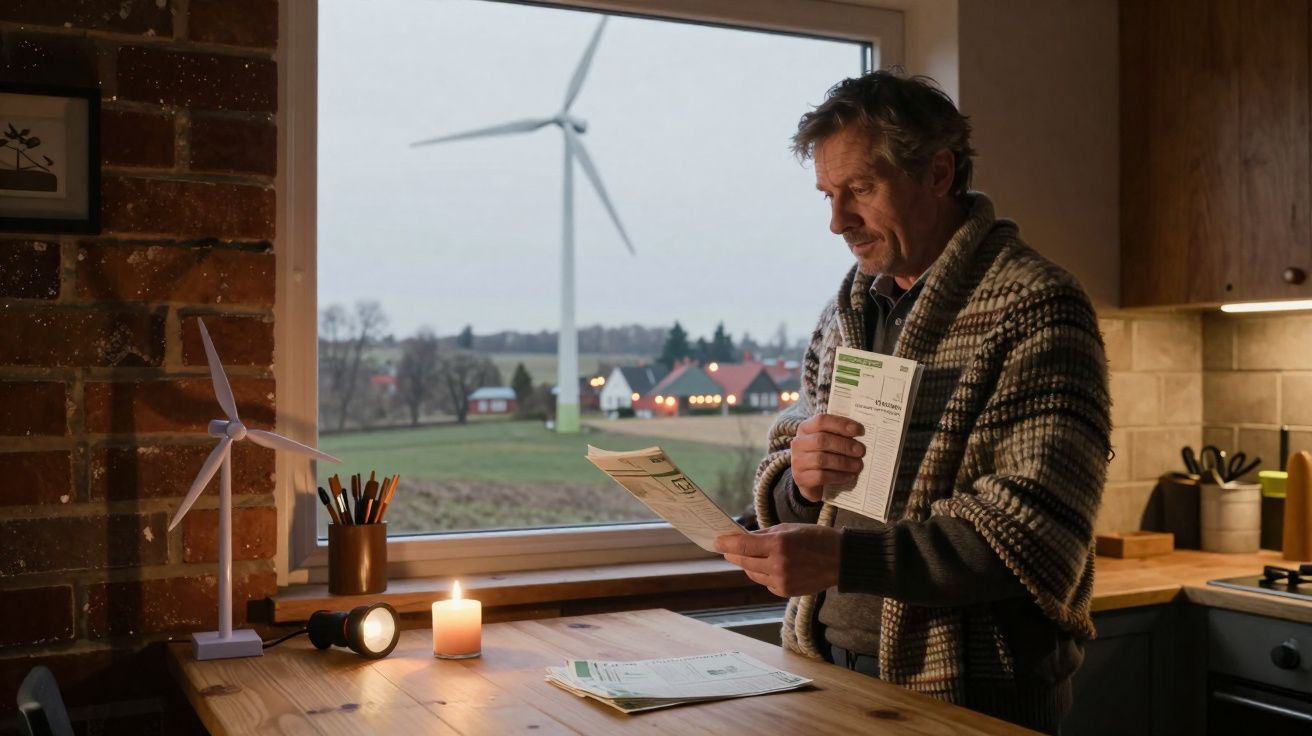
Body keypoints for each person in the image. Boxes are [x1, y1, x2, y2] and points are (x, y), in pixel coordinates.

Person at [714, 70, 1110, 734]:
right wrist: (802, 484)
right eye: (828, 195)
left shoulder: (1037, 308)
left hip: (975, 695)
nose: (837, 221)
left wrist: (843, 559)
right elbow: (792, 475)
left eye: (860, 190)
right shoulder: (844, 316)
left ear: (937, 173)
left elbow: (1033, 535)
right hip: (824, 670)